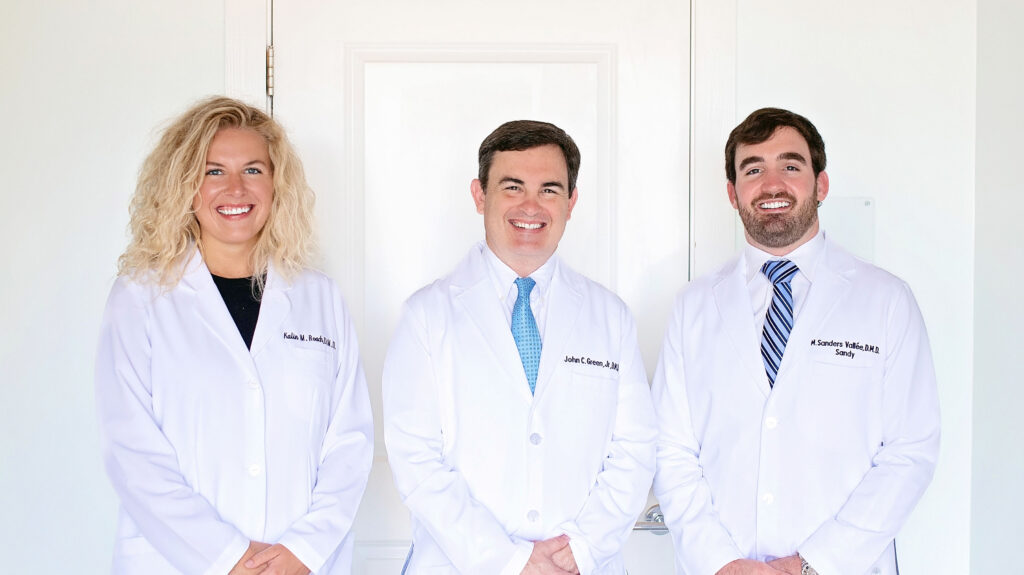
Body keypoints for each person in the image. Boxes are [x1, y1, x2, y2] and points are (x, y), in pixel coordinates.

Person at [651, 108, 940, 575]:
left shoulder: (885, 301)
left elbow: (910, 450)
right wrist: (719, 561)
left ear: (820, 185)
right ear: (732, 193)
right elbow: (671, 449)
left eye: (790, 166)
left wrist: (812, 564)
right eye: (753, 169)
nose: (771, 184)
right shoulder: (694, 307)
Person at [95, 96, 373, 575]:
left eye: (253, 170)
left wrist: (303, 551)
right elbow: (132, 450)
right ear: (185, 185)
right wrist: (229, 557)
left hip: (301, 564)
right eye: (213, 171)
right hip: (180, 561)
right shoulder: (140, 297)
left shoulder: (318, 297)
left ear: (275, 184)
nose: (236, 188)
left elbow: (349, 441)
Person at [382, 120, 656, 574]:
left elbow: (635, 448)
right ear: (479, 195)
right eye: (513, 187)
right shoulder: (426, 315)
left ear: (571, 202)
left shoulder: (609, 316)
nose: (531, 206)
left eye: (550, 190)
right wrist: (510, 560)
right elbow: (417, 460)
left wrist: (581, 551)